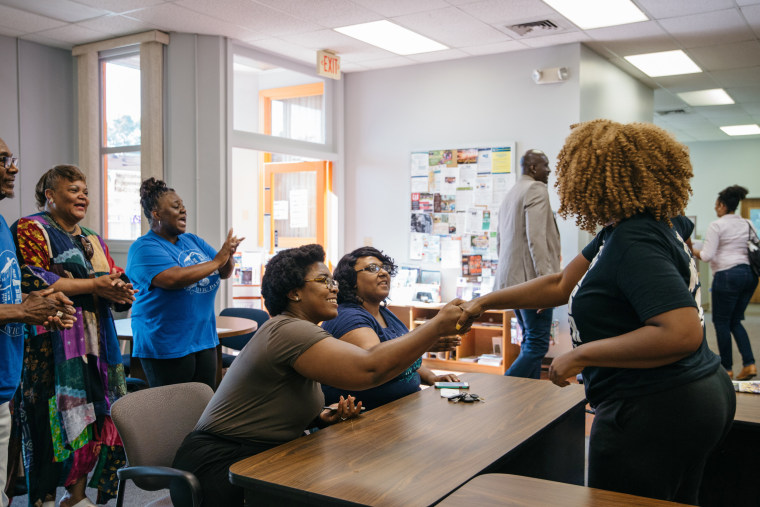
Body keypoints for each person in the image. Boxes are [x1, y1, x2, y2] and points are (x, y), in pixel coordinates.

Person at [457, 120, 735, 504]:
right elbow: (558, 285)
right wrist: (486, 301)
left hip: (656, 407)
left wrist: (580, 355)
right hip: (688, 396)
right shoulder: (632, 230)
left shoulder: (633, 240)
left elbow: (681, 332)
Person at [173, 244, 465, 506]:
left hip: (262, 456)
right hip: (223, 466)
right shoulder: (289, 330)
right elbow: (370, 368)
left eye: (333, 280)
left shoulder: (303, 332)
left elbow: (275, 399)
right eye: (323, 281)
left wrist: (319, 416)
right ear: (294, 292)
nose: (334, 287)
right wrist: (436, 326)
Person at [13, 164, 136, 507]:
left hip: (98, 344)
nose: (82, 195)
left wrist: (120, 292)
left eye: (85, 190)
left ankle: (77, 496)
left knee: (93, 417)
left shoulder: (93, 237)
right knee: (51, 420)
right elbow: (35, 279)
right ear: (49, 196)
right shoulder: (31, 228)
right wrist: (96, 285)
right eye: (73, 189)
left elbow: (110, 278)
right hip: (53, 341)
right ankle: (44, 498)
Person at [0, 140, 76, 507]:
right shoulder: (27, 227)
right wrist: (20, 312)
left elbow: (11, 294)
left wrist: (42, 303)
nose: (13, 168)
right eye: (3, 160)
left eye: (12, 159)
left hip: (3, 387)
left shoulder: (0, 223)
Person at [126, 178, 242, 389]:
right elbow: (174, 279)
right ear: (156, 214)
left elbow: (223, 272)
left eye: (183, 207)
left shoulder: (193, 241)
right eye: (176, 207)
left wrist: (229, 256)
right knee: (173, 413)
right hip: (166, 344)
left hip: (203, 339)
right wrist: (218, 259)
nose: (183, 211)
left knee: (203, 407)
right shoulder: (143, 248)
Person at [321, 246, 460, 409]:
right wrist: (426, 337)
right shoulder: (348, 316)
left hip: (403, 408)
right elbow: (379, 365)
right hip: (371, 417)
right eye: (373, 268)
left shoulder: (383, 312)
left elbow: (405, 357)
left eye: (385, 268)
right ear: (351, 281)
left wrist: (431, 377)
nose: (383, 273)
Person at [495, 149, 561, 378]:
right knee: (537, 345)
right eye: (545, 165)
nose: (549, 170)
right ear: (533, 168)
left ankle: (526, 399)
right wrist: (547, 286)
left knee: (529, 342)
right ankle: (504, 394)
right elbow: (537, 239)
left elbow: (500, 244)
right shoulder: (536, 189)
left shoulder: (512, 192)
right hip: (533, 282)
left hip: (514, 282)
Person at [692, 185, 758, 380]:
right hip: (749, 276)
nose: (715, 208)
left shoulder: (717, 225)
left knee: (721, 322)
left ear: (722, 205)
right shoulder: (747, 224)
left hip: (727, 276)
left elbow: (706, 255)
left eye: (716, 205)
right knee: (735, 320)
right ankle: (750, 364)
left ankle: (727, 369)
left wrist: (691, 249)